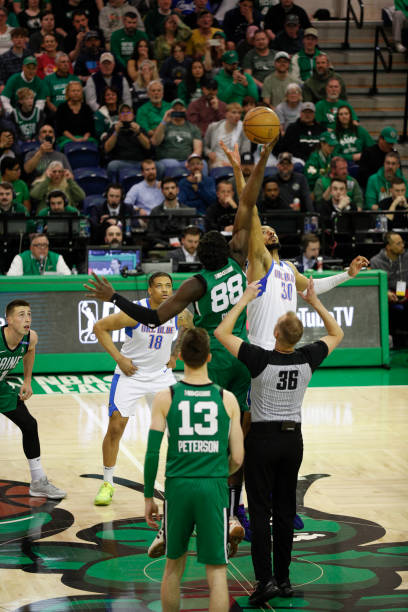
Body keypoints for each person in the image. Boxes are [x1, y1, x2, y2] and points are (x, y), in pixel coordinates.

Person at [84, 141, 275, 533]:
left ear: (196, 258)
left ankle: (190, 512)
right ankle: (236, 509)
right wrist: (255, 161)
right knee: (242, 433)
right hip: (245, 355)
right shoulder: (239, 260)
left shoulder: (195, 285)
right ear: (227, 248)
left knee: (197, 437)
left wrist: (114, 296)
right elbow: (247, 205)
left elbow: (154, 317)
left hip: (214, 359)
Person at [213, 276, 344, 604]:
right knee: (285, 510)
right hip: (292, 441)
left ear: (275, 333)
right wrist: (314, 301)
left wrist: (244, 299)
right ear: (299, 336)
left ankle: (265, 582)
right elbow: (336, 332)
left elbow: (221, 333)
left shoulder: (259, 359)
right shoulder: (308, 357)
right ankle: (284, 580)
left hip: (262, 438)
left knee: (259, 510)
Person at [144, 327, 244, 611]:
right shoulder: (227, 399)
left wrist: (148, 496)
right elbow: (237, 456)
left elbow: (152, 452)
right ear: (210, 357)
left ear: (178, 355)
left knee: (173, 568)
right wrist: (216, 470)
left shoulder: (166, 397)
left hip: (178, 486)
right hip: (213, 487)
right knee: (217, 572)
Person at [93, 271, 192, 506]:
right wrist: (119, 359)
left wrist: (175, 354)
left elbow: (188, 327)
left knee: (179, 429)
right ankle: (107, 483)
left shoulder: (179, 312)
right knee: (116, 426)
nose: (165, 290)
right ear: (150, 290)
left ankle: (181, 480)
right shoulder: (134, 312)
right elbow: (99, 327)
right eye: (159, 286)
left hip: (160, 375)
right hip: (132, 374)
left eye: (169, 285)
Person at [0, 300, 66, 499]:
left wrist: (27, 381)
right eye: (21, 314)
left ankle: (38, 482)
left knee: (29, 424)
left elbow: (29, 352)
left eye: (29, 314)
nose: (27, 318)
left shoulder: (31, 338)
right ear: (8, 320)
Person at [370, 232, 408, 348]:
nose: (402, 245)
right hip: (386, 295)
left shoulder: (406, 257)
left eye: (402, 242)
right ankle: (389, 340)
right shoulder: (376, 261)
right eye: (398, 243)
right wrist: (385, 293)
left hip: (405, 293)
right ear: (389, 247)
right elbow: (374, 285)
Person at [152, 98, 202, 177]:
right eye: (175, 109)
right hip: (168, 159)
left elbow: (198, 149)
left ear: (185, 110)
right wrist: (164, 120)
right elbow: (155, 142)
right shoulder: (164, 125)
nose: (178, 111)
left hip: (187, 160)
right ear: (170, 110)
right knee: (173, 164)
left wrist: (191, 161)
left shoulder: (193, 128)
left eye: (180, 109)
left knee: (203, 165)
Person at [102, 102, 151, 181]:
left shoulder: (139, 128)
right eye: (122, 112)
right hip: (120, 162)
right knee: (112, 166)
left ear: (133, 115)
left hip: (139, 162)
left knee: (158, 167)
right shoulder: (114, 128)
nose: (125, 114)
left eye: (128, 112)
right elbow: (107, 149)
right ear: (119, 116)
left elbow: (148, 146)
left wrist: (138, 133)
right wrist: (116, 132)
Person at [147, 177, 192, 248]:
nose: (170, 191)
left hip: (183, 247)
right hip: (162, 247)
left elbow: (191, 233)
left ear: (177, 190)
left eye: (173, 188)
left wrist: (182, 243)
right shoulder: (155, 212)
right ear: (162, 191)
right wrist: (166, 245)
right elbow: (151, 234)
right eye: (166, 188)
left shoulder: (187, 211)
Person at [204, 103, 250, 169]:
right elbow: (205, 146)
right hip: (216, 161)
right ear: (226, 114)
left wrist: (235, 163)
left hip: (234, 163)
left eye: (239, 113)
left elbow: (245, 151)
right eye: (234, 112)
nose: (237, 115)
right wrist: (209, 153)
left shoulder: (243, 129)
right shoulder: (213, 127)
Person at [7, 232, 72, 275]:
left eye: (45, 245)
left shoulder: (57, 258)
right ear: (31, 248)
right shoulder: (20, 258)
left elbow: (68, 278)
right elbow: (11, 280)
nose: (42, 248)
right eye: (38, 245)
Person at [55, 81, 95, 148]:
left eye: (78, 91)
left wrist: (85, 138)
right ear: (68, 93)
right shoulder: (62, 108)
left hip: (85, 138)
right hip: (67, 139)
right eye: (73, 91)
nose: (76, 93)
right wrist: (74, 139)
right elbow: (61, 129)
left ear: (81, 93)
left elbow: (90, 128)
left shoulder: (87, 108)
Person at [357, 126, 398, 191]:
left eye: (392, 143)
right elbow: (362, 175)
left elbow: (398, 173)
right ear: (380, 139)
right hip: (371, 187)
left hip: (390, 187)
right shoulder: (368, 152)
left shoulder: (394, 153)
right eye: (388, 143)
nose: (391, 146)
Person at [44, 52, 80, 116]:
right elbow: (48, 101)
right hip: (55, 113)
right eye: (63, 62)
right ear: (56, 64)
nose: (66, 64)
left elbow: (80, 99)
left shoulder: (75, 79)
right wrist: (58, 112)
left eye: (67, 62)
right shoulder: (48, 79)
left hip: (73, 113)